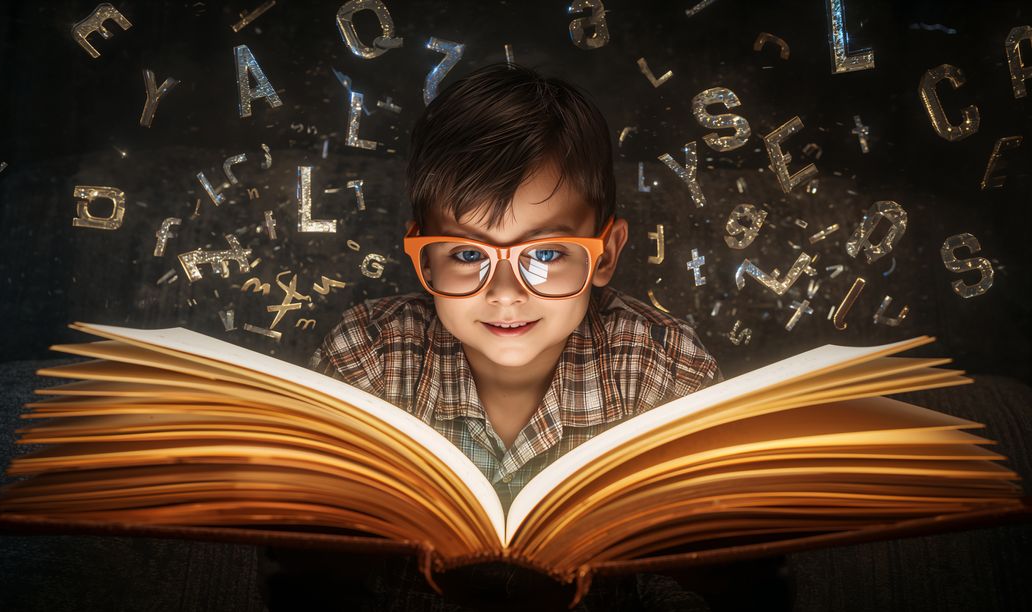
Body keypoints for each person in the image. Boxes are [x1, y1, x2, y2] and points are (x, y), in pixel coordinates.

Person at [257, 62, 726, 612]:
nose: (505, 293)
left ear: (607, 253)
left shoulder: (663, 365)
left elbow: (693, 579)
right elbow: (309, 571)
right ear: (425, 259)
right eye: (467, 254)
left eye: (546, 253)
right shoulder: (368, 354)